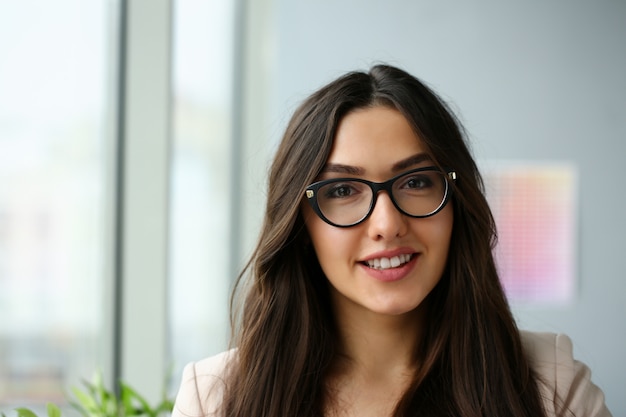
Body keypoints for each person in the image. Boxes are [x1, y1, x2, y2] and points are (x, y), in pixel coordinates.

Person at [172, 64, 612, 416]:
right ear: (300, 223)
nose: (387, 223)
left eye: (417, 181)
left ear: (457, 202)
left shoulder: (552, 387)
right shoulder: (214, 399)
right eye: (342, 191)